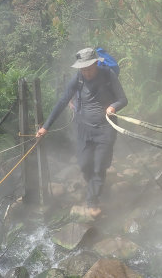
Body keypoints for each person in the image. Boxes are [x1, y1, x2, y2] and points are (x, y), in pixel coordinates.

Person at [36, 47, 128, 217]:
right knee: (85, 164)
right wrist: (46, 127)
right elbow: (63, 101)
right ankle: (95, 186)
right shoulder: (78, 78)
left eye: (89, 69)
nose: (86, 72)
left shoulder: (108, 75)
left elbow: (123, 99)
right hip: (83, 129)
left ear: (95, 64)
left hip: (105, 129)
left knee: (100, 165)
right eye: (83, 69)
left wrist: (113, 107)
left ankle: (92, 200)